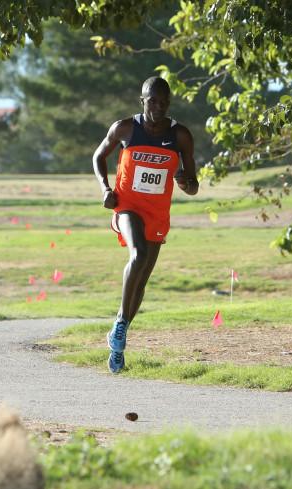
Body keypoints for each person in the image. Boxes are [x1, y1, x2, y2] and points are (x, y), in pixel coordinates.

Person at [92, 76, 199, 373]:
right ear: (143, 100)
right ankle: (122, 329)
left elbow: (193, 187)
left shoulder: (181, 136)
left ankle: (117, 337)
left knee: (141, 282)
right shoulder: (125, 128)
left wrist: (184, 181)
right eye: (153, 101)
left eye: (164, 102)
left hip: (157, 213)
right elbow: (99, 156)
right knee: (137, 256)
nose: (158, 107)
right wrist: (105, 189)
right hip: (127, 206)